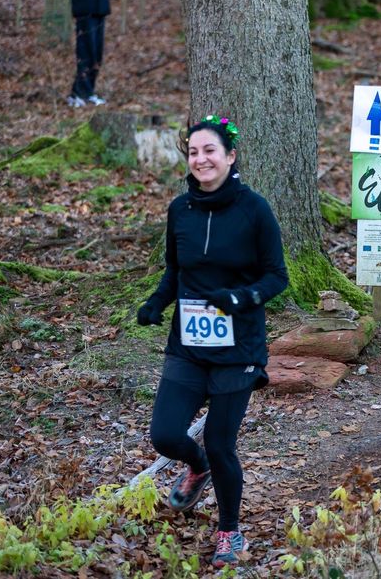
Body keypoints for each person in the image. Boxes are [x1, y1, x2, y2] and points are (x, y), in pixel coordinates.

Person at [137, 115, 289, 568]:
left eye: (210, 151)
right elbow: (175, 271)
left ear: (230, 156)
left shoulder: (254, 209)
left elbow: (276, 277)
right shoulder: (179, 210)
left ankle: (229, 532)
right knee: (164, 434)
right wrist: (157, 302)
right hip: (187, 342)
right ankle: (195, 466)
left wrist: (239, 297)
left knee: (223, 444)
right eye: (194, 152)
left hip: (237, 348)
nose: (201, 159)